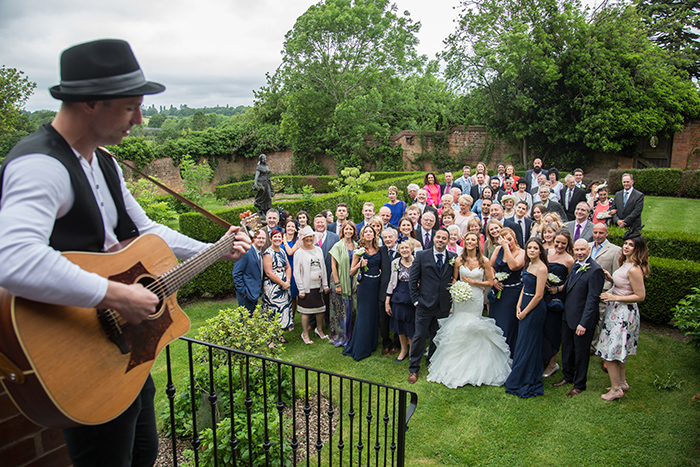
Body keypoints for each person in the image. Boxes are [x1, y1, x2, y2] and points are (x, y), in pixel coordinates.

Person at [0, 39, 251, 467]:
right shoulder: (41, 165)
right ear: (91, 103)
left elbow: (145, 231)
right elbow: (12, 258)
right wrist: (115, 295)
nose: (139, 118)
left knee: (142, 453)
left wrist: (213, 249)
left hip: (123, 349)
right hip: (78, 354)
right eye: (131, 106)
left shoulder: (105, 162)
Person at [427, 232, 511, 388]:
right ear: (464, 243)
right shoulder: (459, 260)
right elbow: (454, 278)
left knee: (473, 327)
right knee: (458, 326)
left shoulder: (484, 261)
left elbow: (490, 282)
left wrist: (474, 282)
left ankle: (477, 366)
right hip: (461, 298)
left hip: (475, 298)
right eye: (468, 240)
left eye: (473, 240)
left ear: (477, 243)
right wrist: (455, 289)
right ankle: (453, 364)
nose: (470, 242)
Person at [596, 232, 649, 401]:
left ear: (638, 248)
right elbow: (624, 286)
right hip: (615, 310)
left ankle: (615, 389)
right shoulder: (626, 263)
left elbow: (640, 296)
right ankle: (622, 382)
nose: (626, 246)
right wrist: (611, 279)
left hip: (623, 314)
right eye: (625, 243)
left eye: (631, 245)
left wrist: (615, 297)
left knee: (610, 351)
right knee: (618, 349)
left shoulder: (634, 269)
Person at [552, 239, 605, 397]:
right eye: (577, 250)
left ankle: (579, 383)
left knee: (581, 352)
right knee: (567, 348)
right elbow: (569, 286)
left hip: (582, 320)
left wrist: (584, 323)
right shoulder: (576, 264)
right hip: (568, 316)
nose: (580, 252)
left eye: (583, 250)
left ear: (589, 249)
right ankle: (568, 376)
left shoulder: (595, 270)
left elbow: (592, 300)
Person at [407, 229, 456, 384]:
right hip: (424, 304)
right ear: (434, 238)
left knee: (437, 335)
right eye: (439, 237)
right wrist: (416, 300)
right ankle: (413, 368)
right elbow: (412, 280)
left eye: (444, 238)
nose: (441, 240)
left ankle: (431, 360)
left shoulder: (453, 258)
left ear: (448, 241)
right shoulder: (421, 256)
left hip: (442, 305)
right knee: (420, 336)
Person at [505, 238, 549, 398]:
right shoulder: (528, 264)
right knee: (522, 340)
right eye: (529, 247)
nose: (531, 250)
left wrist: (525, 312)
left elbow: (538, 295)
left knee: (528, 342)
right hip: (524, 303)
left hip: (534, 309)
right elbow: (525, 286)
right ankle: (521, 370)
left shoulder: (542, 268)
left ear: (540, 251)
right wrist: (518, 305)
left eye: (535, 248)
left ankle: (524, 375)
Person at [343, 225, 382, 361]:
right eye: (366, 232)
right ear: (363, 235)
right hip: (364, 287)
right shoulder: (358, 251)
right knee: (364, 315)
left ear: (374, 235)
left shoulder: (378, 249)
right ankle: (361, 348)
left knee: (373, 314)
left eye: (371, 232)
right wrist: (360, 264)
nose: (368, 234)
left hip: (376, 286)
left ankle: (372, 344)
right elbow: (351, 272)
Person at [542, 229, 574, 378]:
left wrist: (558, 288)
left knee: (553, 329)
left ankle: (553, 364)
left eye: (563, 243)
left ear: (568, 244)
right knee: (541, 327)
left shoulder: (569, 260)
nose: (560, 245)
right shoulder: (547, 252)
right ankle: (542, 356)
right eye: (558, 242)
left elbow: (572, 282)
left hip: (557, 298)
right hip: (542, 294)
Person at [489, 227, 525, 353]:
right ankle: (495, 351)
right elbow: (491, 266)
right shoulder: (498, 249)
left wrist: (506, 248)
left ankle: (508, 351)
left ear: (514, 238)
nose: (508, 242)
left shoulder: (522, 252)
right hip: (498, 290)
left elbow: (513, 266)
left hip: (512, 292)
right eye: (504, 240)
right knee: (495, 321)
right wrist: (494, 279)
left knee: (507, 323)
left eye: (510, 239)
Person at [294, 226, 330, 344]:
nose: (309, 239)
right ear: (302, 239)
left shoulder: (318, 250)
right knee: (306, 312)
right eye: (306, 237)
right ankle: (305, 333)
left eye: (310, 236)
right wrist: (301, 288)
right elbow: (296, 272)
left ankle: (319, 330)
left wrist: (325, 285)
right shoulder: (299, 253)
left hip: (318, 286)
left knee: (321, 310)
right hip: (306, 287)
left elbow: (323, 267)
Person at [589, 223, 622, 352]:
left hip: (603, 290)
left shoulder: (615, 250)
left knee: (599, 319)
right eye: (595, 232)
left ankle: (594, 346)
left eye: (601, 233)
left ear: (607, 233)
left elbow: (617, 275)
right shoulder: (588, 246)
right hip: (587, 289)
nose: (597, 235)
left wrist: (610, 289)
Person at [385, 241, 417, 362]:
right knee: (400, 326)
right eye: (402, 248)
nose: (404, 250)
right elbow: (391, 282)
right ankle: (403, 349)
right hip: (398, 297)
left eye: (406, 247)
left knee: (411, 326)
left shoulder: (417, 262)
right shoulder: (395, 263)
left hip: (412, 297)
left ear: (412, 249)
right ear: (399, 250)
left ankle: (412, 351)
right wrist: (387, 300)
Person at [328, 221, 358, 347]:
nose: (349, 232)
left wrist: (357, 282)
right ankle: (340, 336)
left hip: (352, 281)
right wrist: (338, 284)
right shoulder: (337, 246)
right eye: (346, 229)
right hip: (339, 279)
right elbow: (333, 266)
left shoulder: (357, 246)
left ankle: (351, 335)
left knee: (352, 309)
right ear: (342, 231)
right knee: (340, 309)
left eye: (351, 229)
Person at [262, 229, 293, 340]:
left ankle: (279, 334)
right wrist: (282, 283)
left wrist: (288, 281)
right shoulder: (268, 253)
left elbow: (288, 267)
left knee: (282, 309)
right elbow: (269, 272)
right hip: (273, 286)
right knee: (273, 309)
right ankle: (270, 337)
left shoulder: (282, 251)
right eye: (275, 237)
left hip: (284, 284)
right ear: (270, 239)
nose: (277, 239)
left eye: (279, 237)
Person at [233, 228, 267, 315]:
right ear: (253, 238)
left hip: (254, 293)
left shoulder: (260, 253)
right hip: (246, 293)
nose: (261, 240)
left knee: (250, 319)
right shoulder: (246, 252)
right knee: (244, 319)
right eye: (258, 238)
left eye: (263, 238)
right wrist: (244, 292)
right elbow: (236, 273)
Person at [378, 227, 401, 355]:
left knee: (397, 318)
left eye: (390, 237)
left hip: (398, 291)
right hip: (382, 290)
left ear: (396, 238)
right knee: (383, 319)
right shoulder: (381, 251)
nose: (387, 240)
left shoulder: (402, 251)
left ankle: (397, 344)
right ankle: (386, 343)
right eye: (385, 237)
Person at [282, 218, 300, 321]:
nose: (290, 228)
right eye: (288, 226)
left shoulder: (297, 241)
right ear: (285, 227)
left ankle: (291, 319)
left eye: (292, 226)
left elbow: (290, 252)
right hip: (282, 269)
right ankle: (282, 317)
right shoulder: (279, 238)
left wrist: (284, 242)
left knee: (292, 296)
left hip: (293, 268)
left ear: (295, 229)